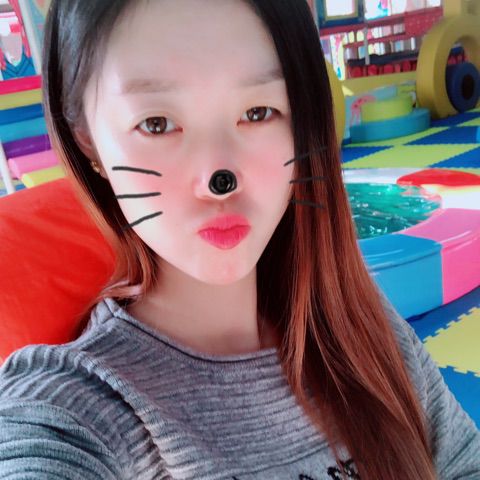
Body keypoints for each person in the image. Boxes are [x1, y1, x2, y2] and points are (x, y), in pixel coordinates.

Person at [0, 1, 479, 478]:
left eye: (258, 112)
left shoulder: (360, 327)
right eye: (157, 124)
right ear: (85, 138)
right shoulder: (77, 404)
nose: (219, 177)